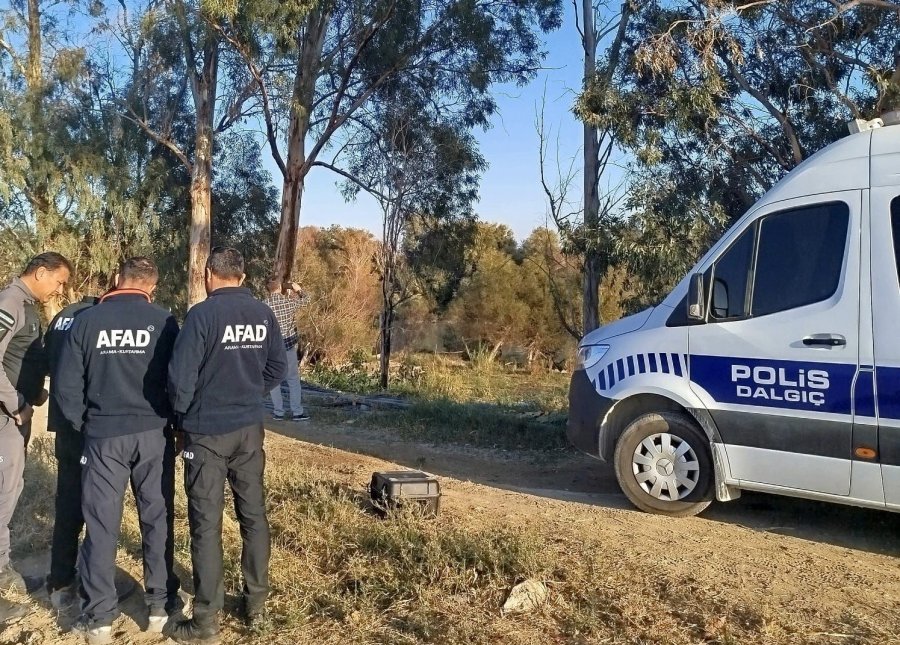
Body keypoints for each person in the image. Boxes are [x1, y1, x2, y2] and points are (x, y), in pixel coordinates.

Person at [55, 257, 180, 644]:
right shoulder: (164, 322)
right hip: (153, 435)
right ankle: (159, 607)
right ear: (152, 287)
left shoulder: (87, 321)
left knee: (101, 525)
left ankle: (99, 621)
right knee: (156, 520)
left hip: (103, 437)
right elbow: (178, 379)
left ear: (116, 279)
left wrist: (86, 425)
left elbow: (65, 387)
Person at [166, 247, 286, 643]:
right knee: (253, 516)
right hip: (249, 429)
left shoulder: (201, 316)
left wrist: (181, 418)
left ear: (207, 274)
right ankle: (256, 607)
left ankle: (206, 621)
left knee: (206, 523)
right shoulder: (263, 314)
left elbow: (180, 380)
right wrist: (250, 393)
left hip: (206, 432)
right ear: (244, 275)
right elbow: (277, 368)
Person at [0, 252, 71, 624]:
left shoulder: (27, 306)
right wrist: (16, 404)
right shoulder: (10, 302)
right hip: (4, 418)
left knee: (8, 492)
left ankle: (2, 569)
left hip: (16, 417)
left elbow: (24, 358)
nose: (59, 289)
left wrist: (39, 393)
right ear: (40, 272)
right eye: (58, 281)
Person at [43, 294, 98, 609]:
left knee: (67, 502)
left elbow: (49, 361)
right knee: (97, 507)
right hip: (90, 424)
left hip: (65, 424)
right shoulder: (99, 316)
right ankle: (92, 584)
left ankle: (60, 580)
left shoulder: (64, 314)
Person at [263, 277, 309, 421]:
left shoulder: (263, 306)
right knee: (293, 380)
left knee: (274, 381)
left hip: (271, 348)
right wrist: (297, 289)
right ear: (280, 288)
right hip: (288, 345)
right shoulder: (287, 303)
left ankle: (278, 412)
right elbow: (307, 300)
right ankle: (296, 412)